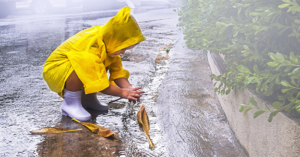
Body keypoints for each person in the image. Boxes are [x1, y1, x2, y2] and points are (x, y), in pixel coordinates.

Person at [42, 7, 145, 121]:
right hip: (55, 70)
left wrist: (129, 89)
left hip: (69, 69)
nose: (123, 52)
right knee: (84, 66)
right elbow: (99, 83)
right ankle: (70, 103)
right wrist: (122, 92)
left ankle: (88, 100)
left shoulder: (109, 44)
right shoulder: (92, 46)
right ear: (115, 39)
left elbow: (118, 72)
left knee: (97, 67)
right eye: (122, 48)